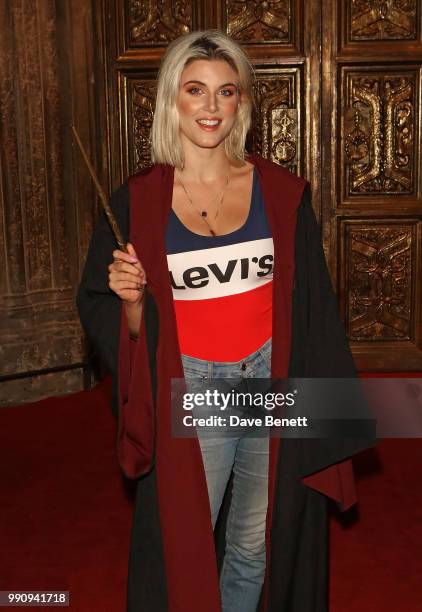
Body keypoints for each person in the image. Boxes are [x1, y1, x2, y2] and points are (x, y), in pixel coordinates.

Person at [77, 30, 374, 612]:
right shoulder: (136, 203)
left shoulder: (283, 195)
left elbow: (310, 309)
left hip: (270, 380)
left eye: (226, 92)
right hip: (196, 386)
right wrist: (132, 302)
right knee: (187, 541)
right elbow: (119, 321)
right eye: (195, 90)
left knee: (254, 541)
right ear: (172, 99)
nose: (210, 107)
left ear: (241, 103)